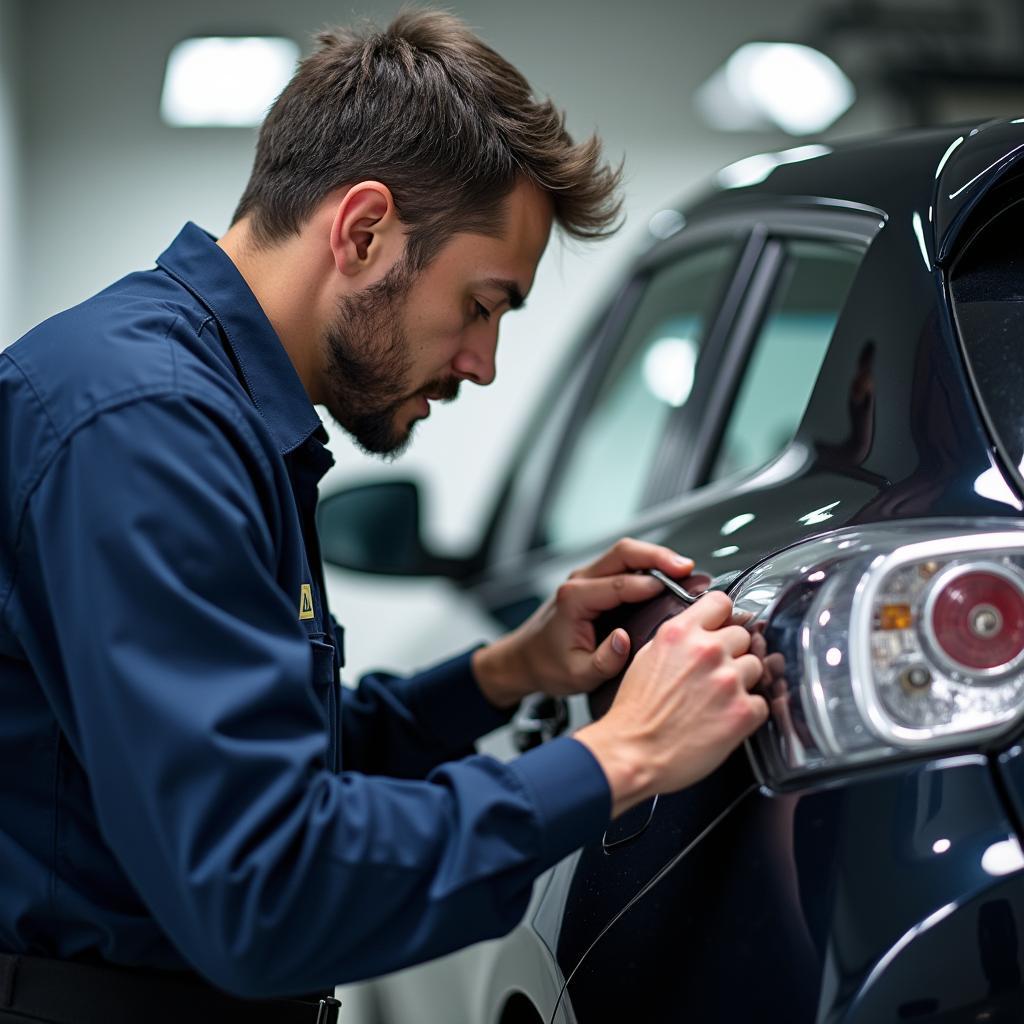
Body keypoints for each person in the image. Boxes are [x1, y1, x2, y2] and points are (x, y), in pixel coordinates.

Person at [0, 10, 768, 1022]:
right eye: (483, 304)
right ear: (363, 232)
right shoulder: (149, 429)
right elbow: (264, 888)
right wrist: (621, 756)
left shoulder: (201, 408)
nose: (483, 365)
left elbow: (273, 761)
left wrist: (508, 671)